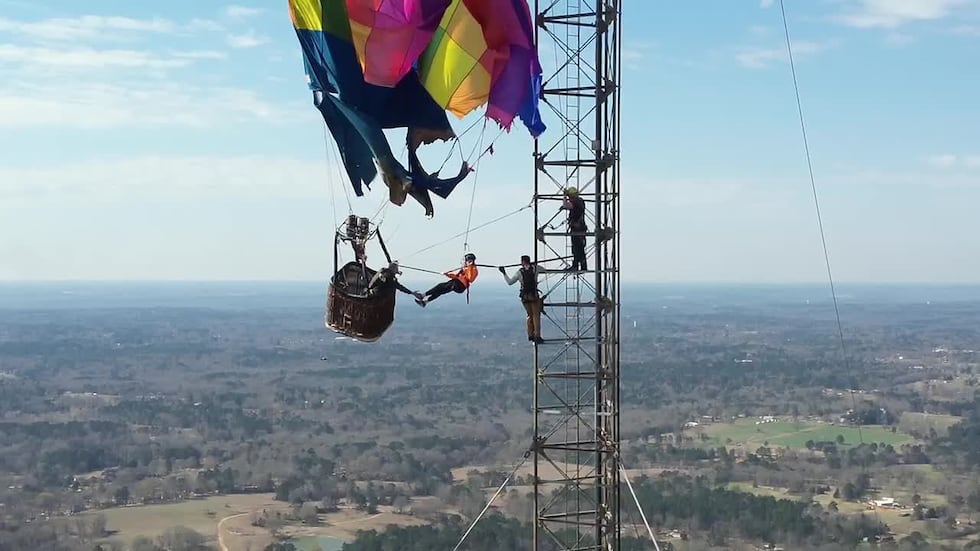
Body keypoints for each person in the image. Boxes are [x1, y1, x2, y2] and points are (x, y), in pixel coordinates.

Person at [499, 255, 544, 344]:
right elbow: (545, 270)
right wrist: (535, 265)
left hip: (525, 297)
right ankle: (537, 336)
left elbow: (510, 282)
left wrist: (504, 273)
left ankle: (530, 335)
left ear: (522, 262)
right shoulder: (535, 268)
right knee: (536, 316)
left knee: (529, 315)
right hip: (534, 296)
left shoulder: (519, 272)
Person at [561, 186, 588, 271]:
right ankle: (581, 266)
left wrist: (564, 197)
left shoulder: (576, 202)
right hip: (580, 228)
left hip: (577, 228)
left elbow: (566, 205)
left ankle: (576, 266)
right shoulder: (580, 201)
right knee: (579, 248)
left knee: (577, 248)